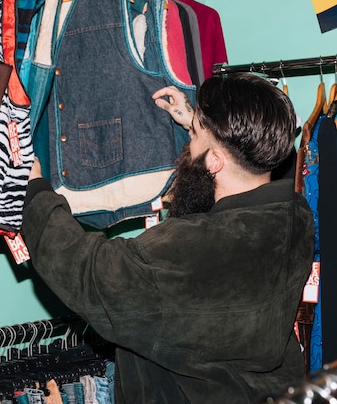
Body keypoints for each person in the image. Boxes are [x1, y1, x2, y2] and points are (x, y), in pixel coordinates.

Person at [21, 73, 315, 403]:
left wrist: (36, 193)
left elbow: (88, 272)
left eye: (196, 137)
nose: (189, 144)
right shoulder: (295, 219)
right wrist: (197, 124)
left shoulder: (193, 249)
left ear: (215, 160)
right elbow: (231, 172)